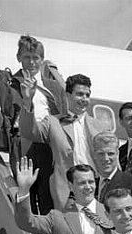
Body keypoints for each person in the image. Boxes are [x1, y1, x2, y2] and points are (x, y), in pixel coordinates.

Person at [0, 11, 66, 214]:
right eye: (27, 57)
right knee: (25, 198)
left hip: (47, 145)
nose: (31, 62)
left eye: (36, 58)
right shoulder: (8, 82)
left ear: (42, 60)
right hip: (21, 144)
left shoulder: (53, 87)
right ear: (19, 58)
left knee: (49, 199)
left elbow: (64, 118)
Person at [19, 71, 108, 211]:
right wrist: (27, 102)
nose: (84, 99)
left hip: (94, 189)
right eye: (79, 94)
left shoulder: (100, 127)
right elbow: (29, 132)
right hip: (67, 192)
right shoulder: (53, 122)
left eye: (87, 95)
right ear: (67, 96)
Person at [91, 131, 132, 226]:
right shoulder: (90, 185)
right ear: (94, 155)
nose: (106, 158)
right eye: (101, 154)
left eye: (110, 153)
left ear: (117, 153)